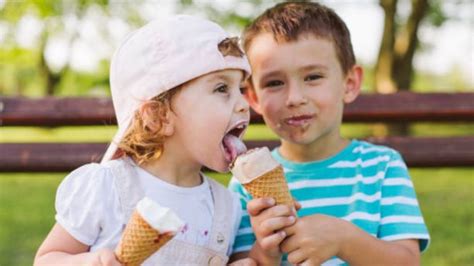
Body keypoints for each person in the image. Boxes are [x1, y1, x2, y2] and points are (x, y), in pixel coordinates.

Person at [35, 15, 256, 265]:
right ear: (158, 116)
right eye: (221, 89)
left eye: (241, 89)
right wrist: (90, 262)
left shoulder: (226, 207)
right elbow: (47, 259)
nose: (243, 104)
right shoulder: (107, 189)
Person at [228, 2, 430, 265]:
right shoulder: (246, 185)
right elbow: (242, 260)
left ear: (350, 83)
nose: (295, 98)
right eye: (274, 83)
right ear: (253, 97)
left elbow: (407, 262)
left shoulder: (382, 167)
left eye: (312, 77)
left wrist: (344, 240)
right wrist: (264, 253)